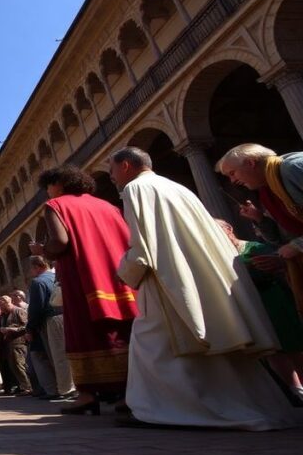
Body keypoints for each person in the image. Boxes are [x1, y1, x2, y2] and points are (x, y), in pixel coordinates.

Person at [111, 146, 297, 430]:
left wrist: (125, 271)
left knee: (153, 342)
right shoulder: (178, 188)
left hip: (168, 280)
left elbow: (143, 245)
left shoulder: (136, 189)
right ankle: (235, 405)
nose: (112, 177)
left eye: (112, 170)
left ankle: (168, 409)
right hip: (199, 276)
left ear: (126, 165)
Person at [31, 164, 138, 415]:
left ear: (58, 184)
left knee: (84, 333)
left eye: (48, 186)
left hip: (83, 277)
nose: (48, 192)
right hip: (119, 278)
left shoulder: (57, 205)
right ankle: (129, 392)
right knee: (123, 332)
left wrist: (43, 251)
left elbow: (60, 242)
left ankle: (88, 395)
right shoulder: (107, 206)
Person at [215, 218, 303, 402]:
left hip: (275, 301)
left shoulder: (255, 248)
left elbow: (282, 267)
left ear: (229, 229)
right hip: (253, 306)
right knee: (272, 350)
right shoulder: (219, 255)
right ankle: (295, 390)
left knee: (293, 345)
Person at [216, 143, 303, 312]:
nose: (232, 181)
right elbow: (280, 239)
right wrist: (259, 219)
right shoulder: (267, 190)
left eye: (232, 173)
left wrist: (298, 245)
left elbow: (292, 244)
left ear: (251, 163)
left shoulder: (293, 168)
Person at [25, 255, 76, 400]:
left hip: (53, 318)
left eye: (31, 269)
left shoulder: (38, 282)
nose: (31, 272)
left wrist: (30, 328)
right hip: (69, 316)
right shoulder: (56, 277)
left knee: (59, 356)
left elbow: (36, 308)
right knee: (71, 352)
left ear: (37, 267)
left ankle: (67, 389)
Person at [0, 296, 31, 395]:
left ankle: (28, 387)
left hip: (19, 342)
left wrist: (11, 329)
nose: (1, 307)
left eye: (2, 305)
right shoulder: (4, 315)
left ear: (8, 303)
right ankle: (23, 386)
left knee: (19, 364)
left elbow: (26, 326)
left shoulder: (18, 311)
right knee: (13, 366)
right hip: (9, 343)